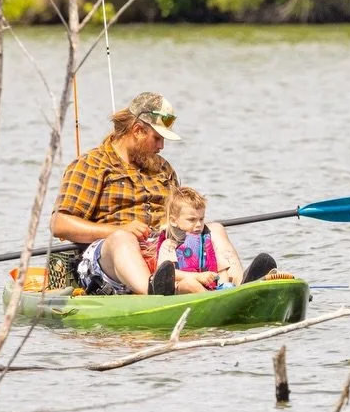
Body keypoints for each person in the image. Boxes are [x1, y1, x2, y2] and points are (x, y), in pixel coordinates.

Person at [48, 91, 273, 295]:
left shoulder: (163, 168)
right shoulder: (92, 165)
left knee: (214, 229)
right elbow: (59, 224)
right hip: (111, 261)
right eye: (157, 138)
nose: (162, 146)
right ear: (137, 130)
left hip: (167, 253)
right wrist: (117, 229)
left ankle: (237, 285)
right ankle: (152, 291)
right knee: (122, 238)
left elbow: (180, 213)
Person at [150, 185, 278, 294]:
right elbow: (168, 273)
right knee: (189, 283)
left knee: (227, 280)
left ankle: (241, 288)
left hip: (211, 287)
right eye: (191, 220)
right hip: (181, 288)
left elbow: (221, 269)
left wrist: (224, 284)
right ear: (173, 220)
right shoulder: (169, 244)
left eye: (201, 219)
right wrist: (198, 277)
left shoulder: (207, 241)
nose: (199, 224)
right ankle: (212, 299)